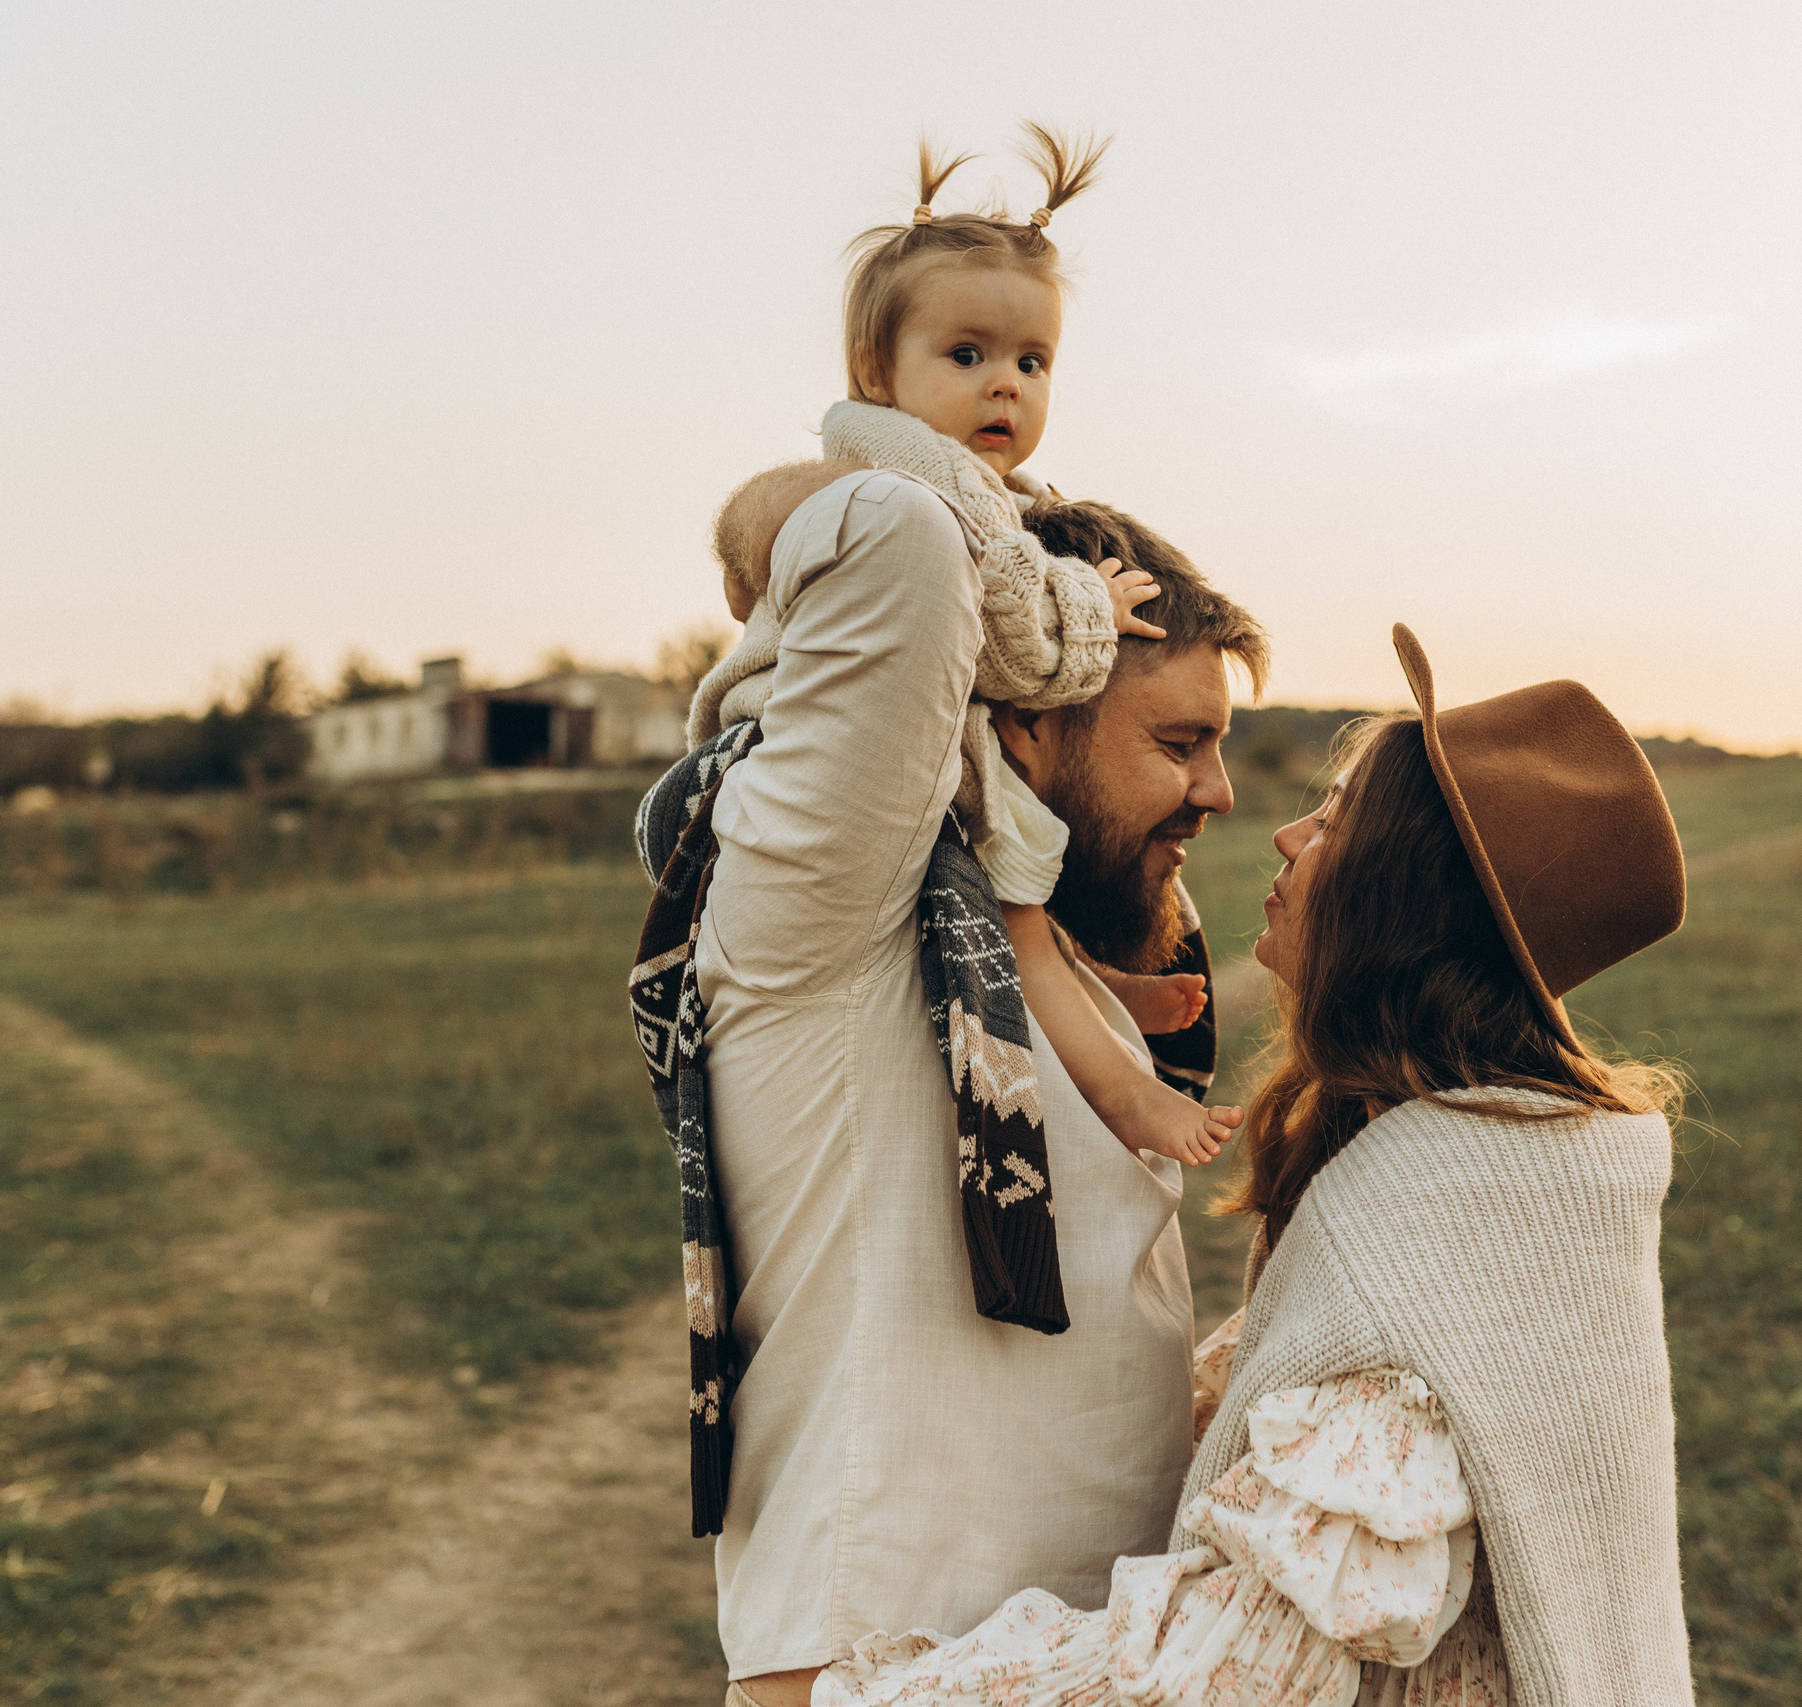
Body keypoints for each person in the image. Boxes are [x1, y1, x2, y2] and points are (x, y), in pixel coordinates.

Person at [815, 624, 1699, 1707]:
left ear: (1400, 893)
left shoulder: (1440, 1242)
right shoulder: (1515, 1179)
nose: (1284, 832)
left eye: (1332, 817)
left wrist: (846, 1696)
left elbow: (1213, 1680)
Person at [640, 452, 1270, 1706]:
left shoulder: (1032, 957)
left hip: (1073, 1667)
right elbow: (889, 535)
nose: (1218, 790)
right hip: (888, 1667)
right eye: (1179, 742)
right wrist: (956, 475)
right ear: (1024, 719)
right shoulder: (828, 906)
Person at [693, 128, 1241, 1170]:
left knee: (1020, 886)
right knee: (1015, 901)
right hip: (824, 744)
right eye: (967, 355)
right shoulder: (914, 487)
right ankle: (1124, 1087)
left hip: (904, 738)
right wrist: (1085, 604)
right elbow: (1016, 648)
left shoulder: (981, 493)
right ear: (876, 368)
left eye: (1032, 362)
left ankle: (1089, 990)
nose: (1006, 388)